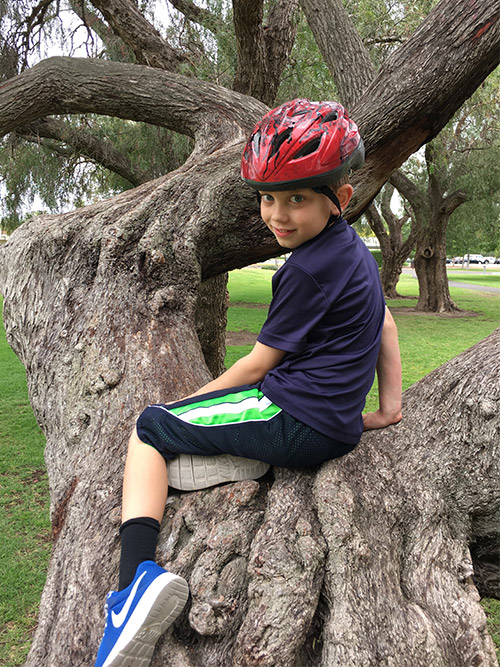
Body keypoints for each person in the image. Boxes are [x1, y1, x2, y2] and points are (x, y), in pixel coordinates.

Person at [94, 98, 402, 667]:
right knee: (197, 433)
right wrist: (388, 409)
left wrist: (182, 405)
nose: (278, 215)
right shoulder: (353, 252)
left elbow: (257, 367)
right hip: (332, 425)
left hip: (294, 420)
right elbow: (385, 323)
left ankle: (132, 586)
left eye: (297, 198)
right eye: (267, 198)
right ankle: (234, 460)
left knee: (149, 429)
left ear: (340, 196)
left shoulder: (305, 269)